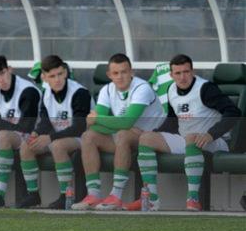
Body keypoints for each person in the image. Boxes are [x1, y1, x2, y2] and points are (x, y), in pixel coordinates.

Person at [132, 54, 241, 211]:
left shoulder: (205, 89)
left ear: (192, 71)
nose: (182, 77)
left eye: (186, 72)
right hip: (188, 140)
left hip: (215, 141)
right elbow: (172, 121)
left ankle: (193, 199)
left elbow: (233, 112)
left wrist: (211, 134)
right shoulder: (171, 90)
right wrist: (154, 132)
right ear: (171, 75)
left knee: (191, 137)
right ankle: (151, 199)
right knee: (146, 138)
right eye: (178, 73)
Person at [71, 53, 165, 211]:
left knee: (122, 134)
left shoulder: (142, 88)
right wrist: (110, 123)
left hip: (152, 140)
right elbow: (94, 127)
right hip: (127, 138)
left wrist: (99, 119)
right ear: (109, 75)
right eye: (115, 73)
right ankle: (93, 194)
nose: (120, 77)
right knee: (89, 136)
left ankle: (116, 195)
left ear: (131, 72)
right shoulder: (106, 90)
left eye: (124, 72)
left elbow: (125, 122)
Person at [17, 55, 93, 209]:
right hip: (60, 136)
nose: (57, 79)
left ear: (65, 72)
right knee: (27, 146)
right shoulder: (47, 94)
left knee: (57, 145)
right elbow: (45, 122)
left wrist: (50, 138)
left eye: (60, 74)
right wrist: (36, 134)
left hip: (84, 137)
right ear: (44, 78)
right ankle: (33, 195)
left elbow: (79, 127)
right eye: (52, 76)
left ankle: (66, 196)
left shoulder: (80, 92)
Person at [0, 55, 41, 208]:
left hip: (34, 136)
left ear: (9, 69)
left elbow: (26, 126)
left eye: (3, 73)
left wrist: (1, 125)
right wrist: (1, 125)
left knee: (3, 136)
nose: (1, 79)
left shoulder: (28, 91)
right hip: (9, 136)